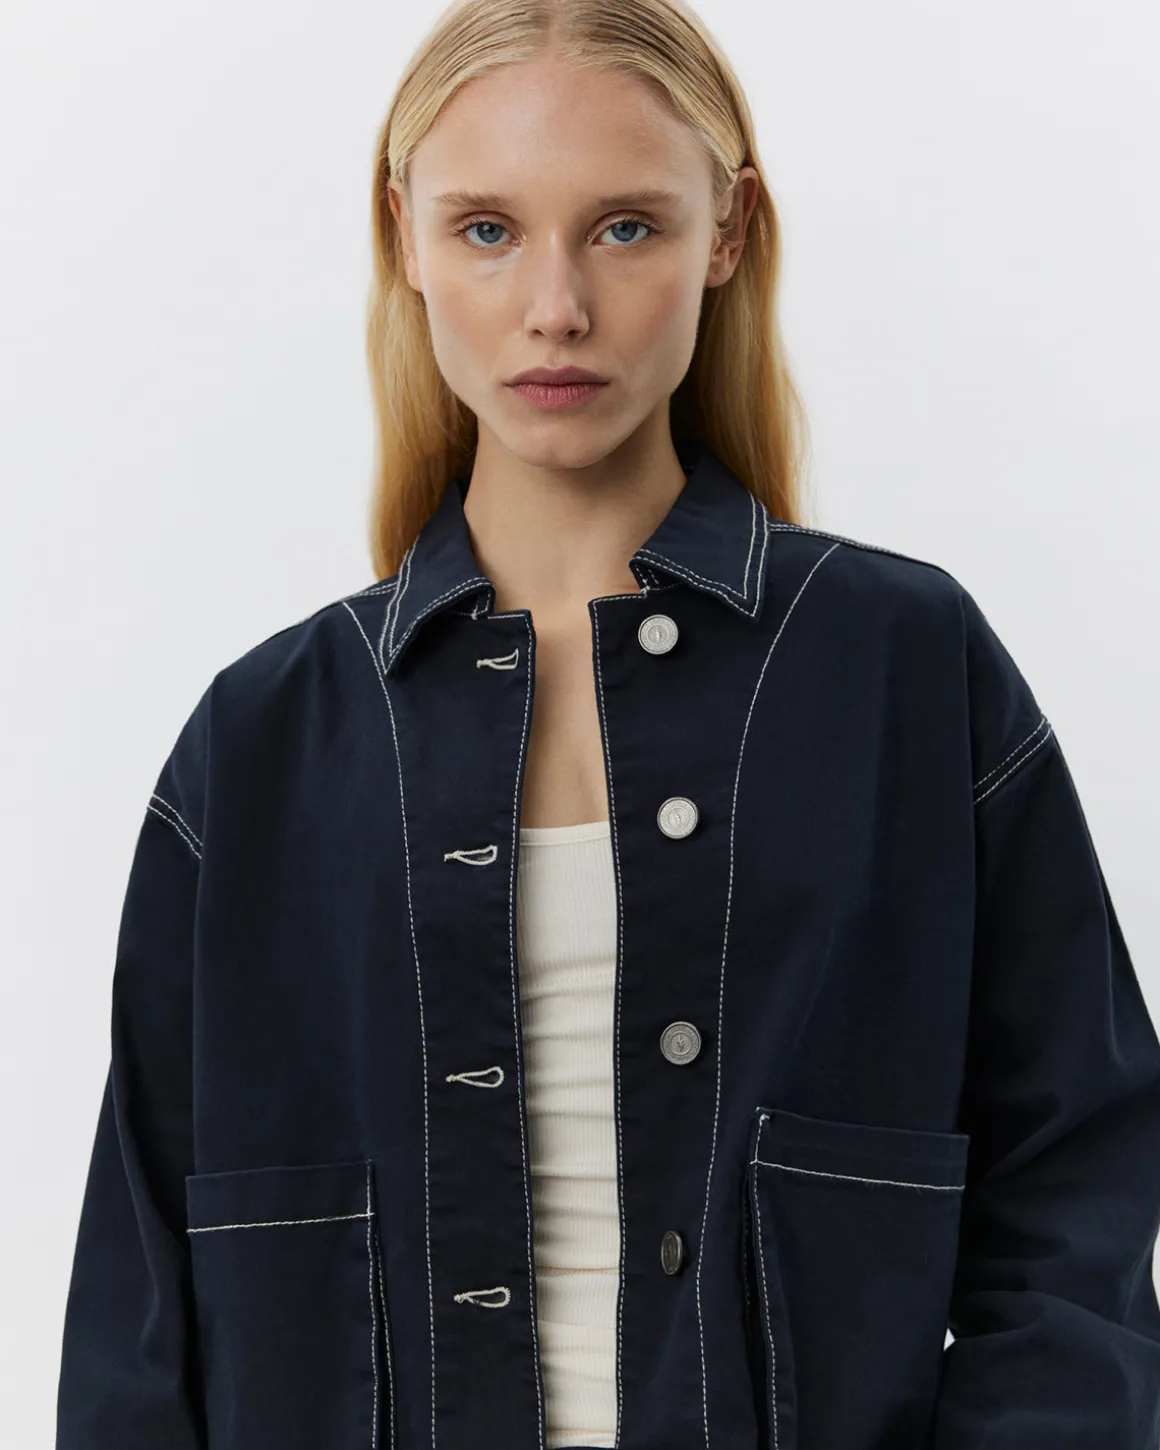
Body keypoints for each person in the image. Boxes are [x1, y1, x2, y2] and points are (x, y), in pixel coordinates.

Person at [56, 1, 1160, 1448]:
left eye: (626, 227)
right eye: (487, 230)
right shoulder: (261, 745)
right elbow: (137, 1326)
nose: (556, 307)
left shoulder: (905, 670)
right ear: (402, 237)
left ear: (729, 231)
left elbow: (1077, 1208)